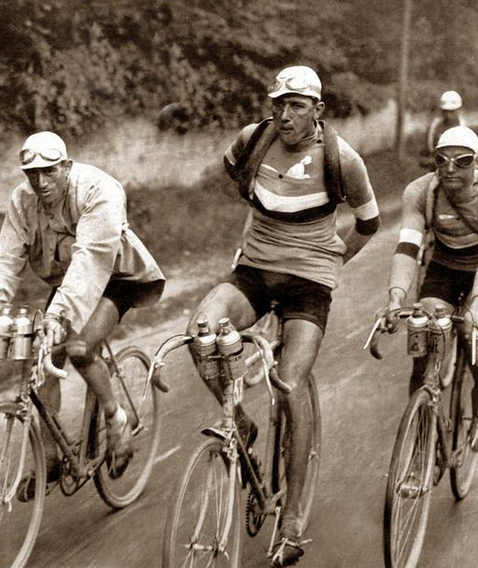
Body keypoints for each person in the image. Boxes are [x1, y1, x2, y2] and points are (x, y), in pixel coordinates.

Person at [186, 65, 380, 567]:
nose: (285, 113)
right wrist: (263, 235)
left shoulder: (343, 160)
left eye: (296, 105)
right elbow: (239, 177)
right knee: (199, 333)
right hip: (253, 268)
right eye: (278, 103)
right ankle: (242, 423)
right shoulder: (252, 140)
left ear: (318, 109)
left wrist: (334, 258)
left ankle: (292, 519)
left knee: (290, 385)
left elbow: (369, 222)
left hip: (309, 283)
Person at [0, 131, 165, 498]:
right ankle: (50, 454)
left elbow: (91, 259)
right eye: (31, 173)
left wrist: (59, 316)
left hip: (116, 276)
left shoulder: (99, 189)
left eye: (49, 171)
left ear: (66, 166)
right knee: (41, 355)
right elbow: (5, 258)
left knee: (79, 347)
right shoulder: (23, 200)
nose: (40, 181)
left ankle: (117, 420)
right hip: (72, 283)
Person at [382, 126, 478, 452]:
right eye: (442, 160)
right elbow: (407, 249)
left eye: (463, 160)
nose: (451, 168)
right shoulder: (420, 191)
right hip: (445, 266)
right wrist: (395, 296)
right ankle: (420, 435)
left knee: (474, 332)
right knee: (422, 335)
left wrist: (476, 306)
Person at [419, 90, 465, 171]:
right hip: (436, 171)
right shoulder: (433, 128)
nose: (448, 116)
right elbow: (424, 157)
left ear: (459, 110)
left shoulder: (466, 129)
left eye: (452, 112)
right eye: (445, 112)